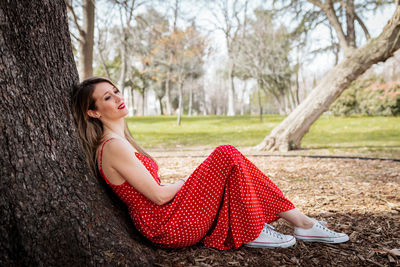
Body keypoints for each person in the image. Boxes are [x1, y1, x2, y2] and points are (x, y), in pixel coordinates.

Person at [71, 77, 349, 250]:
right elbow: (157, 195)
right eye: (108, 97)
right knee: (226, 154)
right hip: (166, 226)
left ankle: (286, 224)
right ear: (93, 112)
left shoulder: (120, 142)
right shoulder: (113, 147)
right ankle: (262, 228)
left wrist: (189, 183)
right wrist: (187, 181)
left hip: (168, 217)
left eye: (117, 91)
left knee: (232, 163)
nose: (119, 98)